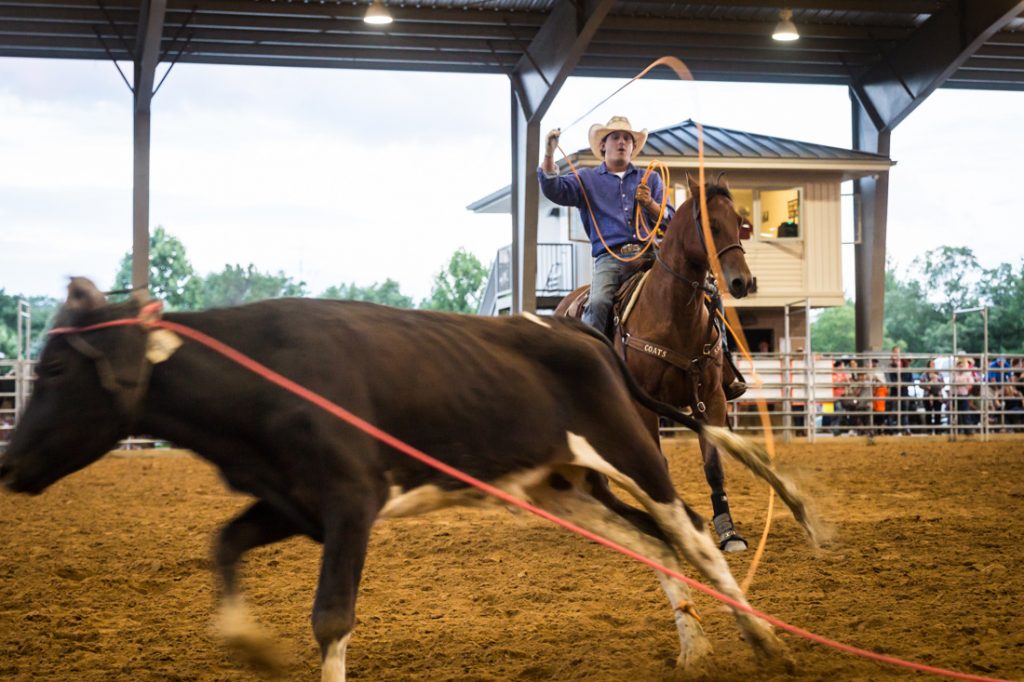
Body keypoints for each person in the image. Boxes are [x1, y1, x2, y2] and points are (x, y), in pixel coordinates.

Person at [539, 116, 746, 400]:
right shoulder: (587, 179)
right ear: (603, 146)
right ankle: (590, 370)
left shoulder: (651, 178)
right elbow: (554, 189)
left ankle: (723, 366)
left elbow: (670, 223)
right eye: (616, 138)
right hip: (610, 260)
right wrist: (549, 153)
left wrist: (650, 204)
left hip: (651, 255)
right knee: (598, 302)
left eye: (627, 138)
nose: (622, 142)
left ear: (632, 147)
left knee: (710, 292)